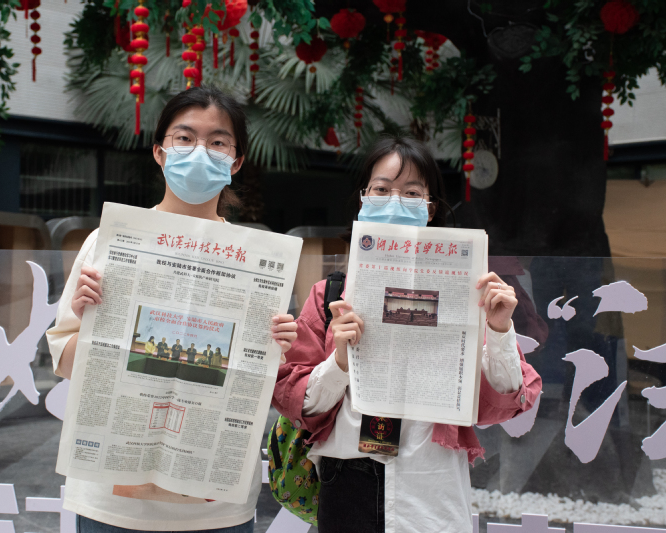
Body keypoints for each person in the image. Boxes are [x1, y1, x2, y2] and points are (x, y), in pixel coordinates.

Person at [46, 85, 299, 533]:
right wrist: (90, 322)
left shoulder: (259, 261)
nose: (199, 151)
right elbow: (65, 364)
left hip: (214, 508)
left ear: (235, 162)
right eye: (184, 137)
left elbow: (262, 383)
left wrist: (280, 345)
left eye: (217, 142)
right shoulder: (109, 243)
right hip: (111, 503)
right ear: (160, 151)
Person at [271, 136, 542, 533]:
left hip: (432, 482)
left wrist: (499, 329)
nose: (394, 202)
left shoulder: (468, 292)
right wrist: (340, 362)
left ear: (430, 208)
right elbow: (297, 401)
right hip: (347, 477)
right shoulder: (329, 294)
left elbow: (501, 401)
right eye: (381, 190)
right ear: (363, 199)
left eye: (412, 193)